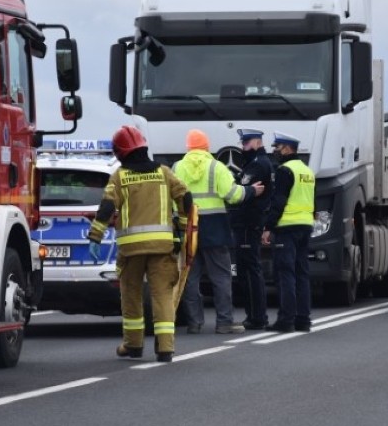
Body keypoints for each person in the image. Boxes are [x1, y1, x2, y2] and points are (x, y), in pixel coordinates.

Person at [87, 126, 191, 362]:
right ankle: (165, 348)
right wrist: (182, 229)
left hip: (131, 250)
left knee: (131, 295)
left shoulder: (120, 176)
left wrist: (95, 236)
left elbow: (107, 207)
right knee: (162, 295)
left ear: (121, 152)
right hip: (162, 247)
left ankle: (133, 345)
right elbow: (185, 198)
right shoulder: (164, 173)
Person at [174, 129, 264, 334]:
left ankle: (194, 323)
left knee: (190, 277)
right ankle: (224, 322)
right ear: (207, 147)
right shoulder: (216, 166)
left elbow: (172, 198)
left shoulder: (177, 167)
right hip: (215, 228)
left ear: (188, 148)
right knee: (221, 277)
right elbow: (232, 195)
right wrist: (251, 190)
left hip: (189, 228)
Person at [262, 132, 315, 333]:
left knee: (285, 274)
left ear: (287, 148)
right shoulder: (306, 170)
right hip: (305, 225)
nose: (275, 151)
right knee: (302, 273)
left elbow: (279, 201)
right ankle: (303, 320)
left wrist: (268, 227)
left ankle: (286, 321)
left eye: (277, 147)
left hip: (287, 227)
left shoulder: (285, 170)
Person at [230, 128, 275, 330]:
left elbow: (241, 187)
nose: (243, 147)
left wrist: (238, 185)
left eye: (246, 143)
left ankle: (256, 317)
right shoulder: (258, 162)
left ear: (257, 142)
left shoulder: (258, 164)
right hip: (250, 222)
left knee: (249, 270)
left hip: (249, 222)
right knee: (249, 269)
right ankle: (256, 315)